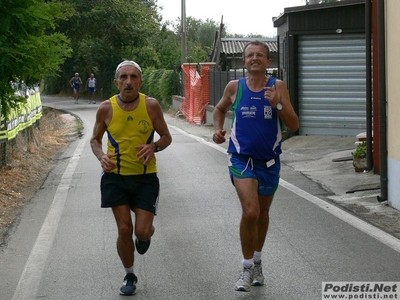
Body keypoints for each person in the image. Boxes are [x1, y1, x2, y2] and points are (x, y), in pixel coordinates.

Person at [212, 40, 299, 292]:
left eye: (260, 55)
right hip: (241, 158)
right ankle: (247, 267)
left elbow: (294, 125)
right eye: (250, 55)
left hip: (270, 161)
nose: (254, 58)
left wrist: (278, 105)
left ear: (268, 61)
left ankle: (258, 261)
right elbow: (218, 110)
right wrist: (218, 129)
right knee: (250, 211)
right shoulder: (234, 87)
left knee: (262, 214)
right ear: (244, 60)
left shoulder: (278, 87)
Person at [90, 60, 172, 295]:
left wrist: (154, 147)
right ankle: (129, 274)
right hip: (115, 177)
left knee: (142, 232)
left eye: (133, 77)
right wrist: (101, 156)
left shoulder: (151, 106)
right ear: (116, 82)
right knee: (125, 228)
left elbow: (166, 137)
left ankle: (145, 236)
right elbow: (95, 140)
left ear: (140, 82)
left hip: (145, 178)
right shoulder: (106, 108)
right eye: (124, 77)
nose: (128, 82)